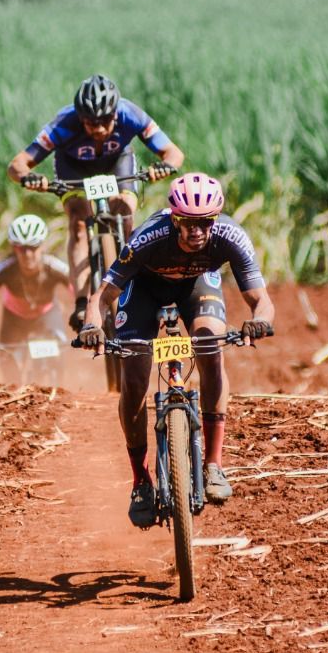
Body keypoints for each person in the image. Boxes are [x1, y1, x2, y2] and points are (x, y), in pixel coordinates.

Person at [76, 172, 275, 527]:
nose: (196, 231)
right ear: (174, 219)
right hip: (144, 289)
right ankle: (141, 481)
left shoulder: (231, 237)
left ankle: (213, 465)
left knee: (210, 348)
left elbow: (261, 300)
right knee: (134, 378)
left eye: (204, 223)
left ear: (214, 221)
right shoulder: (148, 238)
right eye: (187, 223)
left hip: (197, 287)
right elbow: (102, 296)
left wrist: (259, 320)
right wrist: (91, 326)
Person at [6, 74, 185, 329]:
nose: (98, 129)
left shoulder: (130, 114)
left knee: (123, 213)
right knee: (78, 224)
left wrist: (163, 167)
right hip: (74, 170)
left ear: (115, 113)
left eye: (104, 121)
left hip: (118, 165)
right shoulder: (62, 123)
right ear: (80, 118)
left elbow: (174, 153)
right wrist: (31, 178)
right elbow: (17, 165)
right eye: (90, 123)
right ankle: (81, 303)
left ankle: (135, 283)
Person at [0, 214, 74, 382]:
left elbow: (83, 296)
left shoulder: (57, 268)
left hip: (47, 314)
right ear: (13, 248)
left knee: (57, 356)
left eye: (34, 247)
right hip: (14, 318)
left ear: (43, 246)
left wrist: (87, 321)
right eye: (21, 248)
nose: (28, 254)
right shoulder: (1, 271)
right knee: (9, 369)